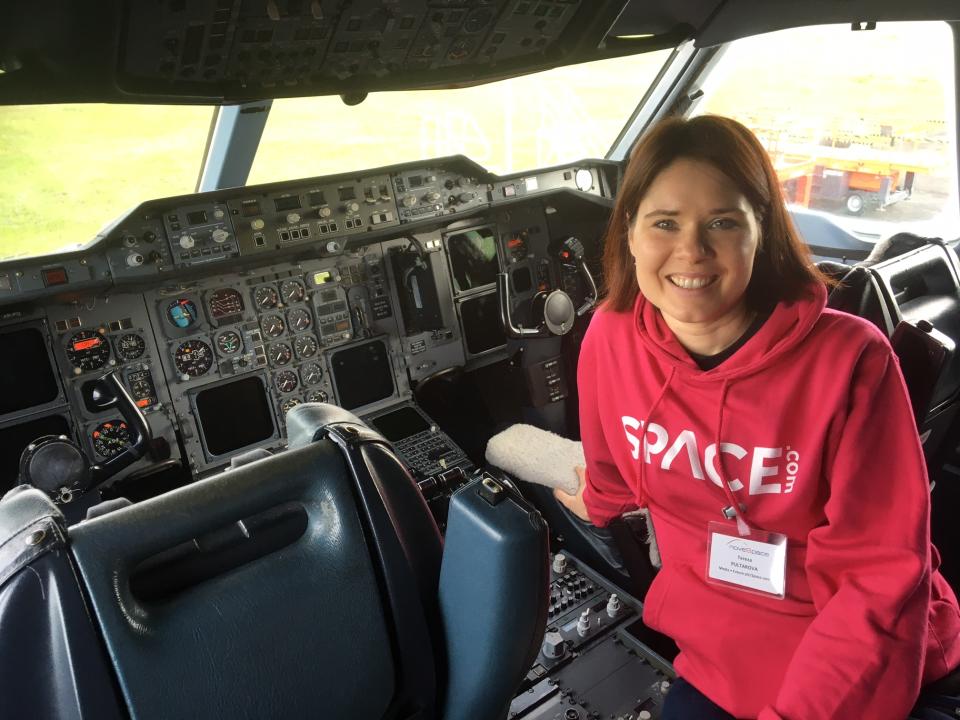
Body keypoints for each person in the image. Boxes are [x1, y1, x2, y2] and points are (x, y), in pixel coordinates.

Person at [553, 114, 960, 719]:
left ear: (761, 232)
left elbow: (876, 580)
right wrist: (602, 501)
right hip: (715, 649)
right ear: (631, 233)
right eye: (665, 223)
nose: (691, 250)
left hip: (851, 660)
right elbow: (611, 466)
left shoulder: (850, 359)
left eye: (722, 222)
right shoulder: (609, 337)